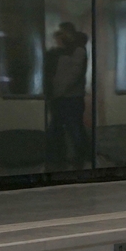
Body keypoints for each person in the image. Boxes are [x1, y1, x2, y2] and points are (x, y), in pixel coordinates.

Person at [48, 23, 89, 164]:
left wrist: (57, 92)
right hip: (62, 97)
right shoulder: (63, 51)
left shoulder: (78, 50)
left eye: (62, 33)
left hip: (71, 97)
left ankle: (80, 157)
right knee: (59, 128)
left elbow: (72, 75)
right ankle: (61, 156)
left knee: (73, 128)